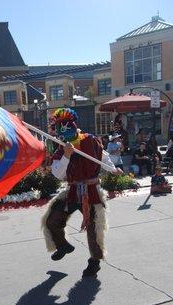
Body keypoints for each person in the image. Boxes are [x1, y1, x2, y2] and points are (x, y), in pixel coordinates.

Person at [42, 108, 123, 278]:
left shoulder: (91, 140)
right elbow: (58, 173)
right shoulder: (61, 148)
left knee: (94, 229)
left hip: (91, 192)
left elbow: (104, 156)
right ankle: (62, 245)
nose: (64, 136)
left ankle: (95, 262)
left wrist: (114, 169)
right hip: (72, 192)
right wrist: (66, 155)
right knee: (52, 220)